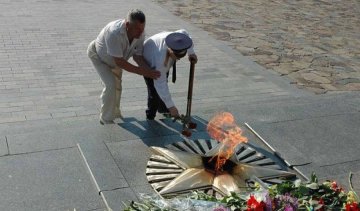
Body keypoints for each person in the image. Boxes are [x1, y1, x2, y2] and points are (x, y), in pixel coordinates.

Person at [87, 9, 160, 124]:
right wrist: (143, 72)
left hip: (115, 60)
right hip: (98, 57)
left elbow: (138, 57)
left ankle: (115, 113)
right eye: (137, 29)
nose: (141, 33)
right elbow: (120, 62)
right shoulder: (114, 32)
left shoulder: (140, 33)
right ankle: (105, 119)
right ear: (127, 25)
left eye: (143, 29)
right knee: (110, 85)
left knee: (117, 87)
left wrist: (149, 71)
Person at [142, 29, 198, 120]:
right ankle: (150, 115)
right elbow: (160, 84)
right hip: (148, 60)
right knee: (154, 91)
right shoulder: (159, 61)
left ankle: (163, 109)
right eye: (176, 58)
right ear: (171, 53)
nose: (178, 60)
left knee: (164, 82)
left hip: (158, 51)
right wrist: (172, 106)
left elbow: (185, 33)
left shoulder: (180, 37)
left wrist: (191, 53)